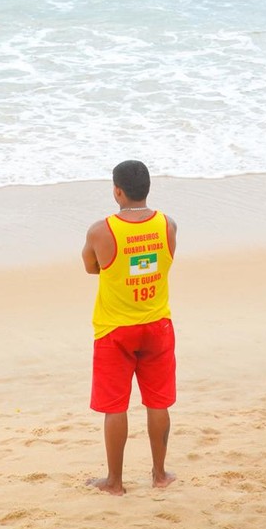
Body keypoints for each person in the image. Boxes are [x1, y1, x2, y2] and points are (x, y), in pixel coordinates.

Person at [81, 160, 178, 495]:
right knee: (158, 402)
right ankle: (160, 475)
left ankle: (115, 482)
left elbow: (91, 266)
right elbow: (165, 261)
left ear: (117, 191)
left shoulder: (101, 230)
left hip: (115, 328)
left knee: (115, 407)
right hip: (157, 324)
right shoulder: (168, 225)